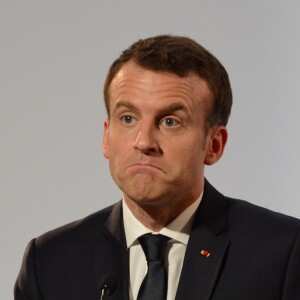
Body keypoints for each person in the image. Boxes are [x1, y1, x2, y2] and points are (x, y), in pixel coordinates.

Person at [15, 35, 300, 300]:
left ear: (214, 145)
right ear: (106, 136)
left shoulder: (283, 253)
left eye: (169, 122)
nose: (143, 142)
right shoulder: (50, 263)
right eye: (128, 119)